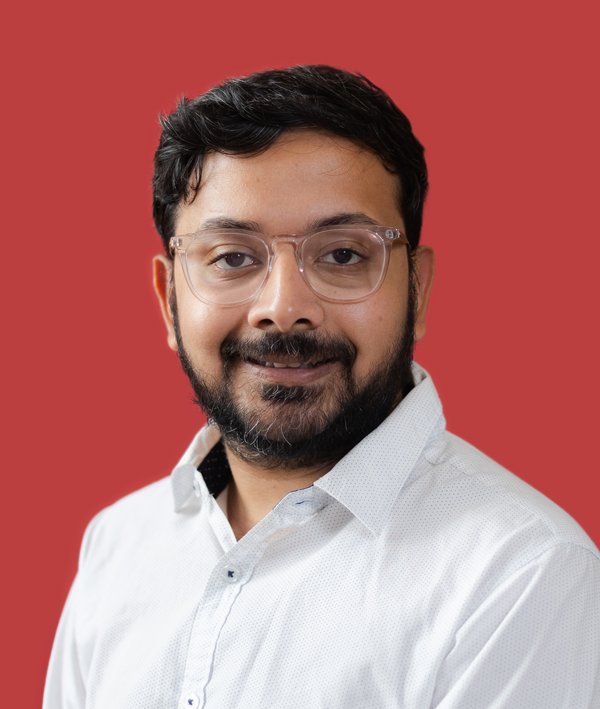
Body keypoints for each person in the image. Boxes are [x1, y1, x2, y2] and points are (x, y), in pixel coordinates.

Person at [44, 65, 600, 708]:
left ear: (415, 290)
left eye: (341, 254)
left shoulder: (520, 577)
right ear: (169, 299)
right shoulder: (118, 543)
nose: (284, 308)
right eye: (232, 257)